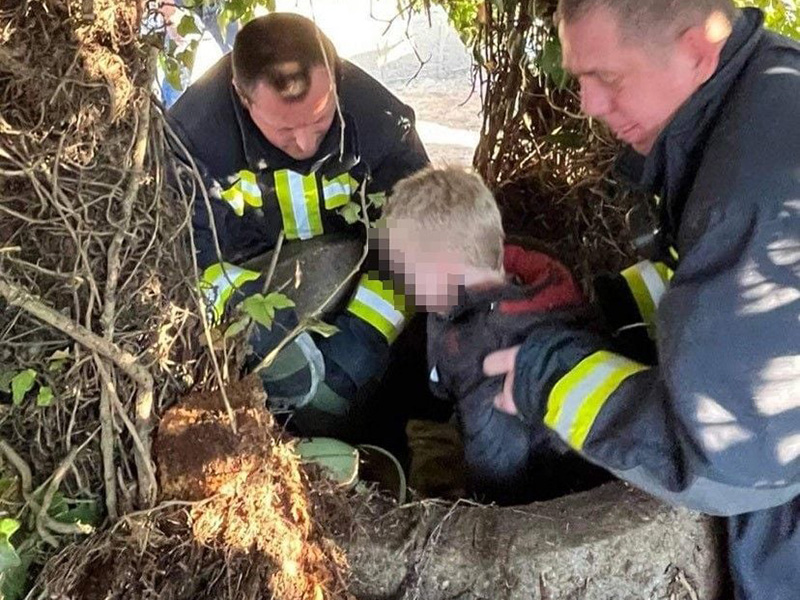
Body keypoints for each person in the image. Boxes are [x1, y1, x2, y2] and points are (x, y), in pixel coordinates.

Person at [483, 1, 799, 598]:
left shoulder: (746, 201)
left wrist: (549, 376)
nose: (587, 105)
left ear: (699, 49)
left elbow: (723, 464)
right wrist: (610, 311)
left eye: (607, 78)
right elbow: (706, 280)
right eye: (580, 78)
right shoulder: (760, 93)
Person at [166, 13, 430, 447]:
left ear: (336, 76)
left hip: (361, 287)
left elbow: (422, 230)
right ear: (241, 96)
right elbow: (188, 256)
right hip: (260, 300)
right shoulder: (194, 140)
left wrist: (364, 336)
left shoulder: (381, 122)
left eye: (321, 118)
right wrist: (256, 322)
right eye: (284, 129)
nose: (306, 143)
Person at [379, 167, 611, 504]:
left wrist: (480, 505)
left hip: (539, 471)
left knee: (429, 470)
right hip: (550, 437)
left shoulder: (484, 355)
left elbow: (497, 456)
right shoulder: (527, 277)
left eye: (405, 274)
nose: (401, 285)